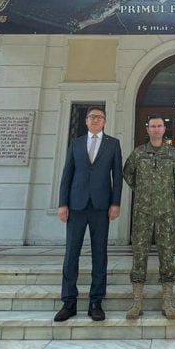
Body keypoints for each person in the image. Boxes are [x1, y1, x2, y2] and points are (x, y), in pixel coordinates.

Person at [55, 106, 122, 322]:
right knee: (71, 254)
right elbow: (67, 174)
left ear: (104, 122)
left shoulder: (113, 144)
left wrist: (116, 203)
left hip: (101, 206)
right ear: (86, 121)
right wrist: (62, 203)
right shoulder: (76, 143)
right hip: (76, 205)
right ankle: (69, 302)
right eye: (92, 117)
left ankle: (96, 302)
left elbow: (117, 176)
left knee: (99, 254)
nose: (95, 120)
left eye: (99, 117)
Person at [122, 115, 175, 320]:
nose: (156, 129)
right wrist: (143, 190)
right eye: (153, 126)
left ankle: (167, 302)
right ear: (148, 129)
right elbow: (128, 174)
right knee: (139, 254)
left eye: (159, 126)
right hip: (142, 212)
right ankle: (136, 303)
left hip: (165, 212)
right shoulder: (138, 153)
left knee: (166, 255)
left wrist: (163, 191)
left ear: (164, 129)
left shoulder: (173, 154)